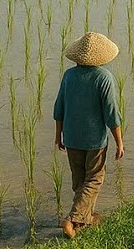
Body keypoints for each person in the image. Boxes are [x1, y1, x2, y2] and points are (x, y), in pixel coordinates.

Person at [54, 31, 124, 239]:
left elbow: (59, 108)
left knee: (80, 181)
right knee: (94, 179)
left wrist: (58, 135)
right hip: (94, 141)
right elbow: (111, 114)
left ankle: (86, 218)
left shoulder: (69, 76)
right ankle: (72, 220)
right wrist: (119, 142)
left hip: (71, 137)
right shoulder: (104, 78)